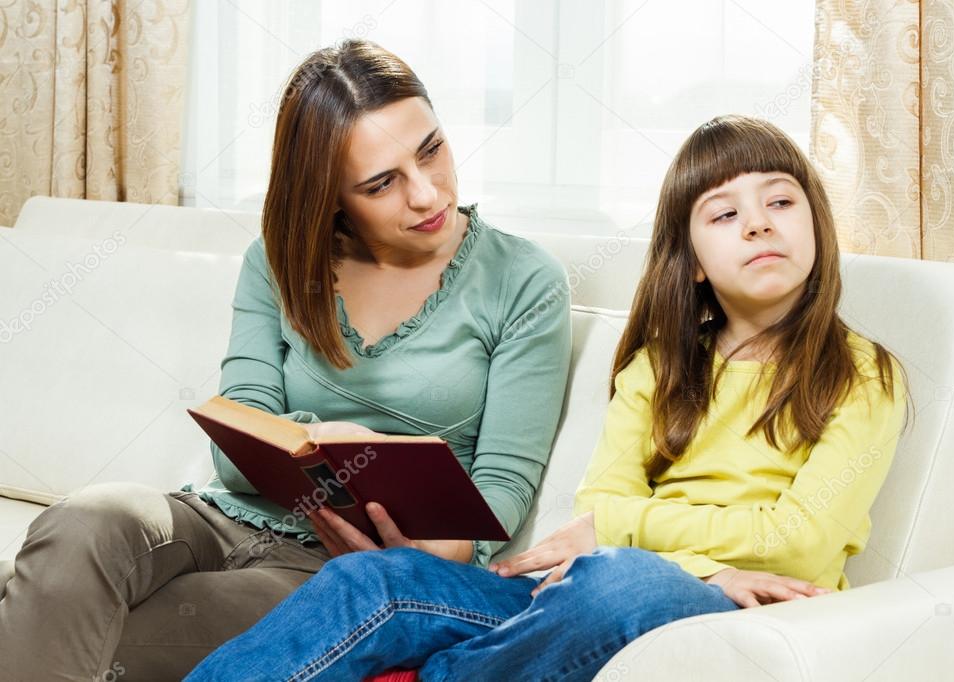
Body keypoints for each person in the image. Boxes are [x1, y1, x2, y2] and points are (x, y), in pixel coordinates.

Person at [184, 114, 909, 682]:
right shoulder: (658, 367)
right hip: (606, 589)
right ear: (688, 265)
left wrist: (634, 539)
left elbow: (801, 539)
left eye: (780, 201)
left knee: (624, 581)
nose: (757, 222)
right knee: (375, 576)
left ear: (814, 222)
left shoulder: (860, 375)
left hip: (747, 612)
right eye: (723, 214)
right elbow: (600, 505)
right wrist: (689, 557)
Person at [0, 40, 571, 681]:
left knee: (91, 626)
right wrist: (324, 442)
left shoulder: (525, 282)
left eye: (431, 149)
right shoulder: (277, 261)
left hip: (333, 571)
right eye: (382, 182)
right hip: (215, 515)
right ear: (330, 197)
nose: (425, 193)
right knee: (81, 520)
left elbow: (502, 487)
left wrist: (423, 554)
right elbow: (234, 449)